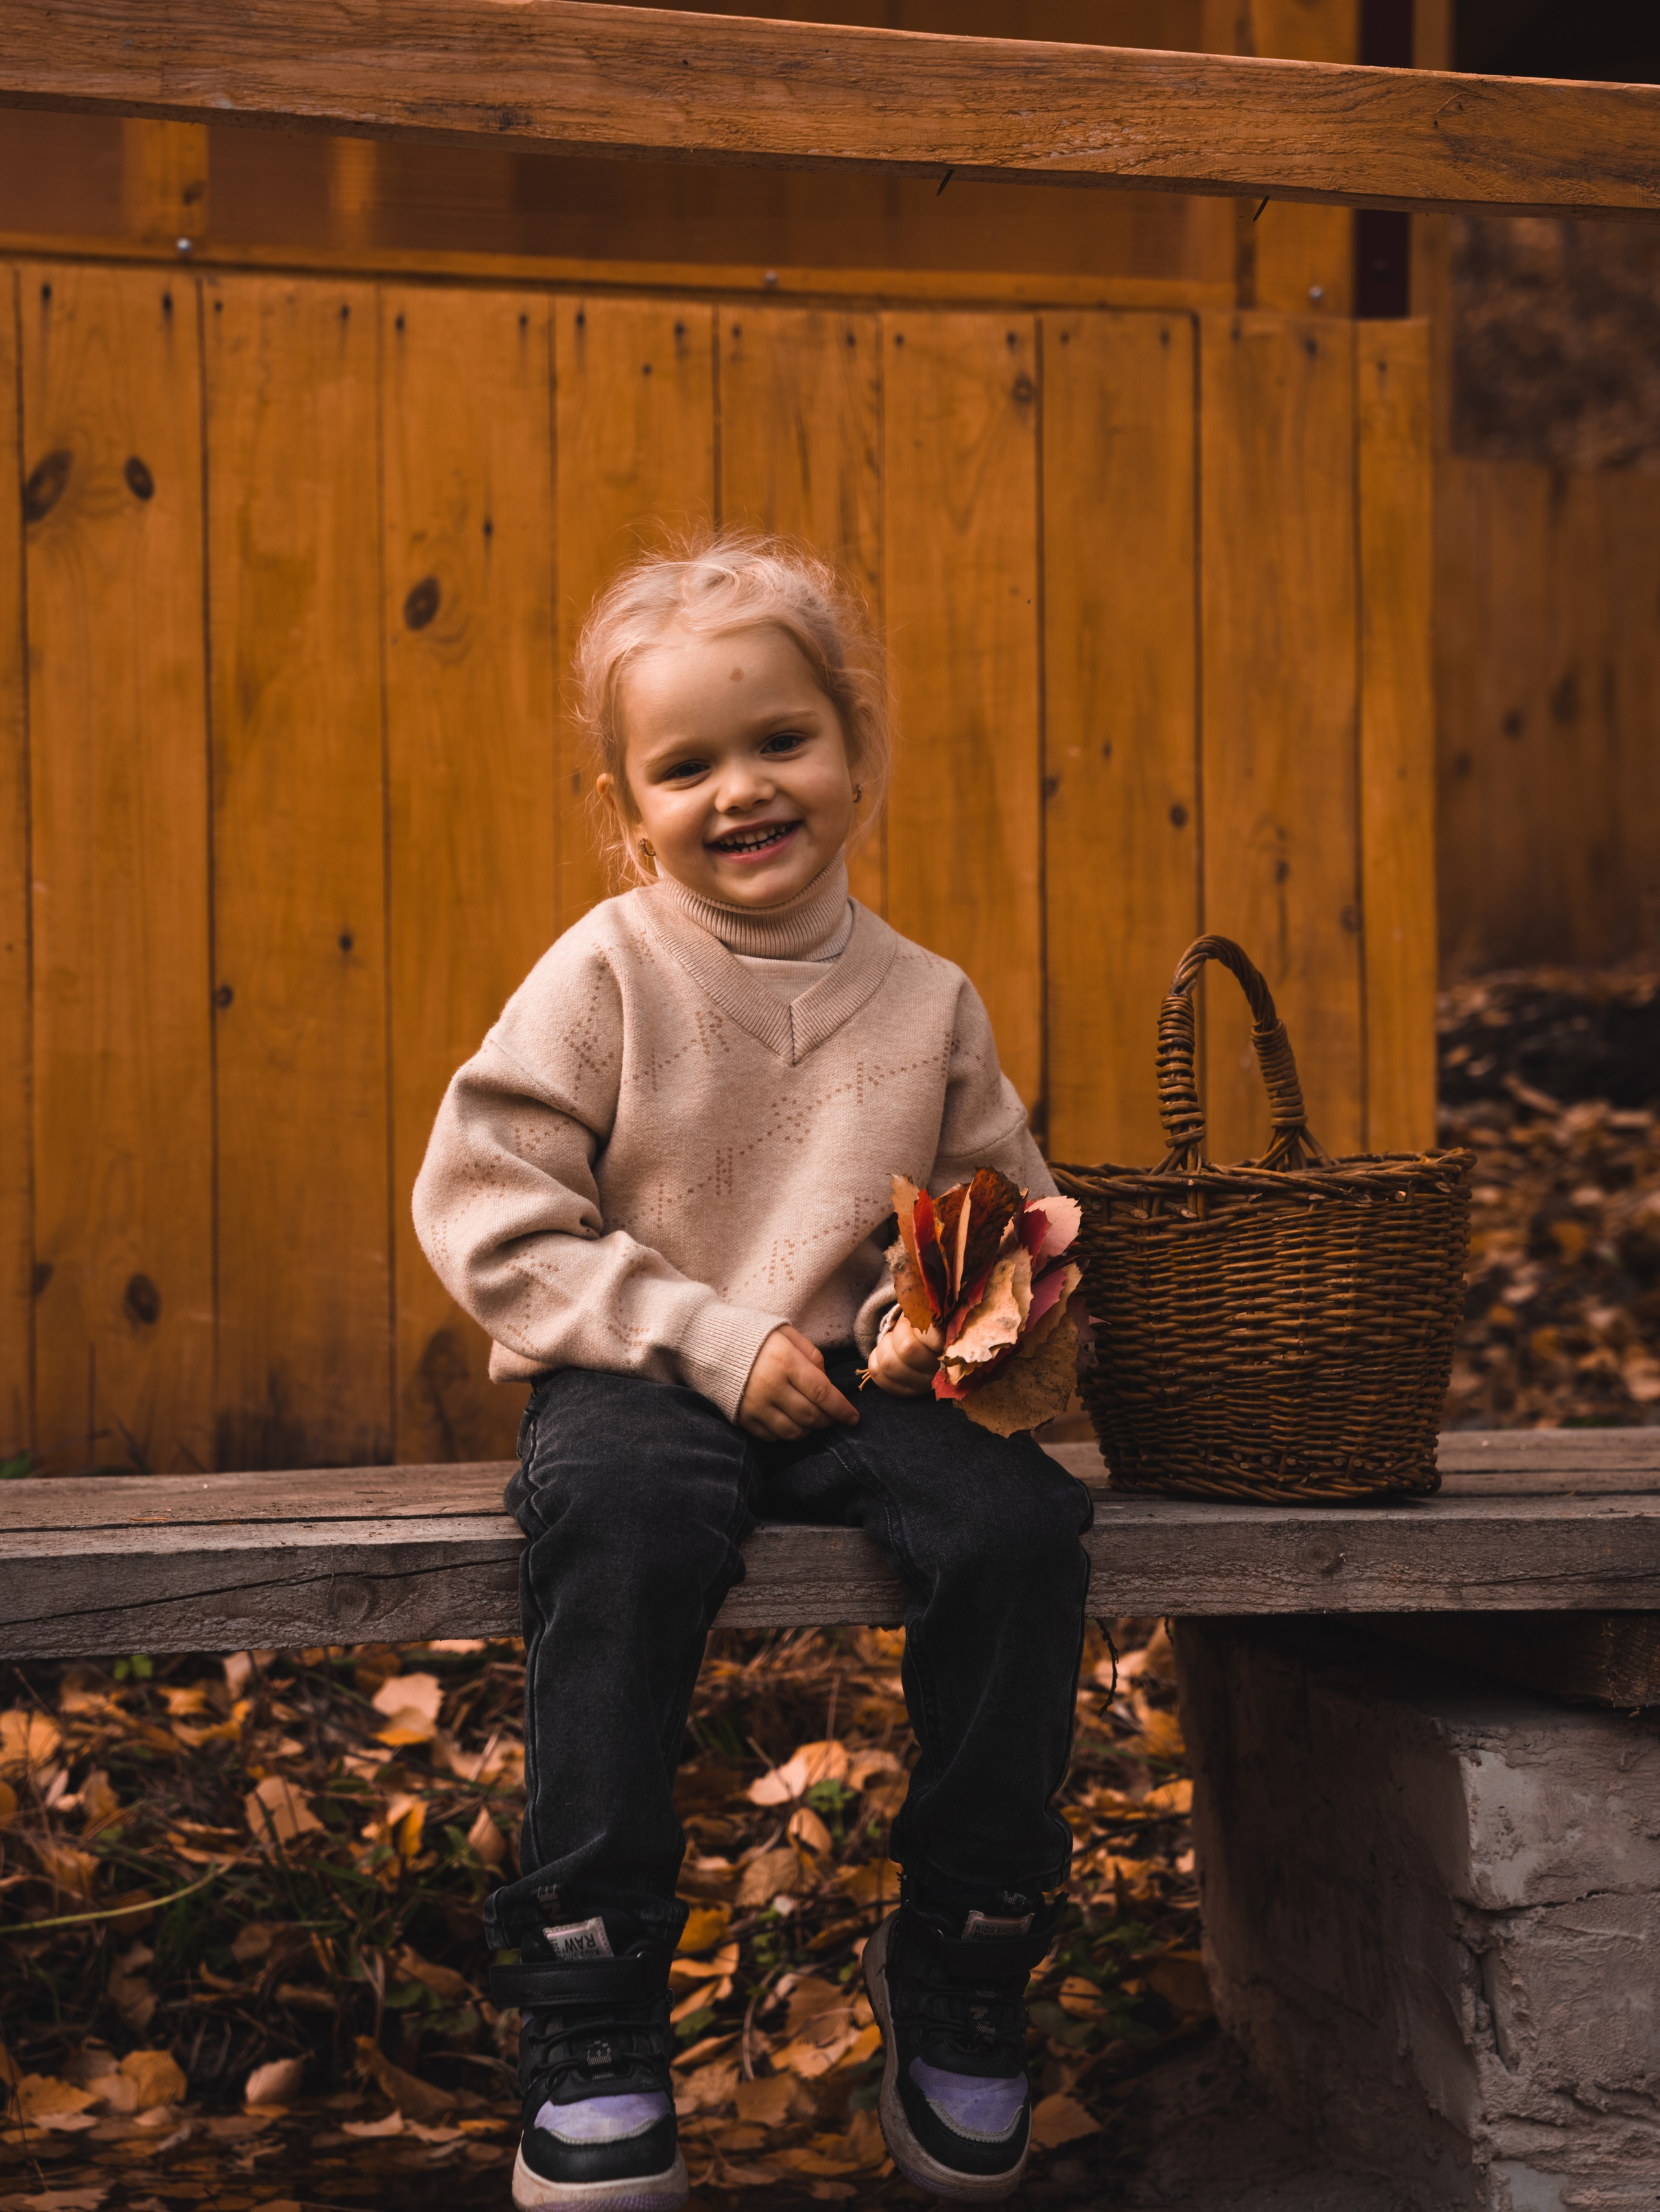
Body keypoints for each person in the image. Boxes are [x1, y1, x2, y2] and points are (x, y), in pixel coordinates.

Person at [414, 533, 1093, 2210]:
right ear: (624, 805)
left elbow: (991, 1224)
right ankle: (591, 1992)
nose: (741, 790)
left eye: (778, 741)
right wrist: (708, 1340)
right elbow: (489, 1209)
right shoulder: (607, 972)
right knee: (623, 1528)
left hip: (867, 1385)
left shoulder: (928, 1002)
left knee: (1022, 1533)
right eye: (685, 765)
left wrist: (974, 1301)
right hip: (647, 1371)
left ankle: (967, 1941)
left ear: (853, 745)